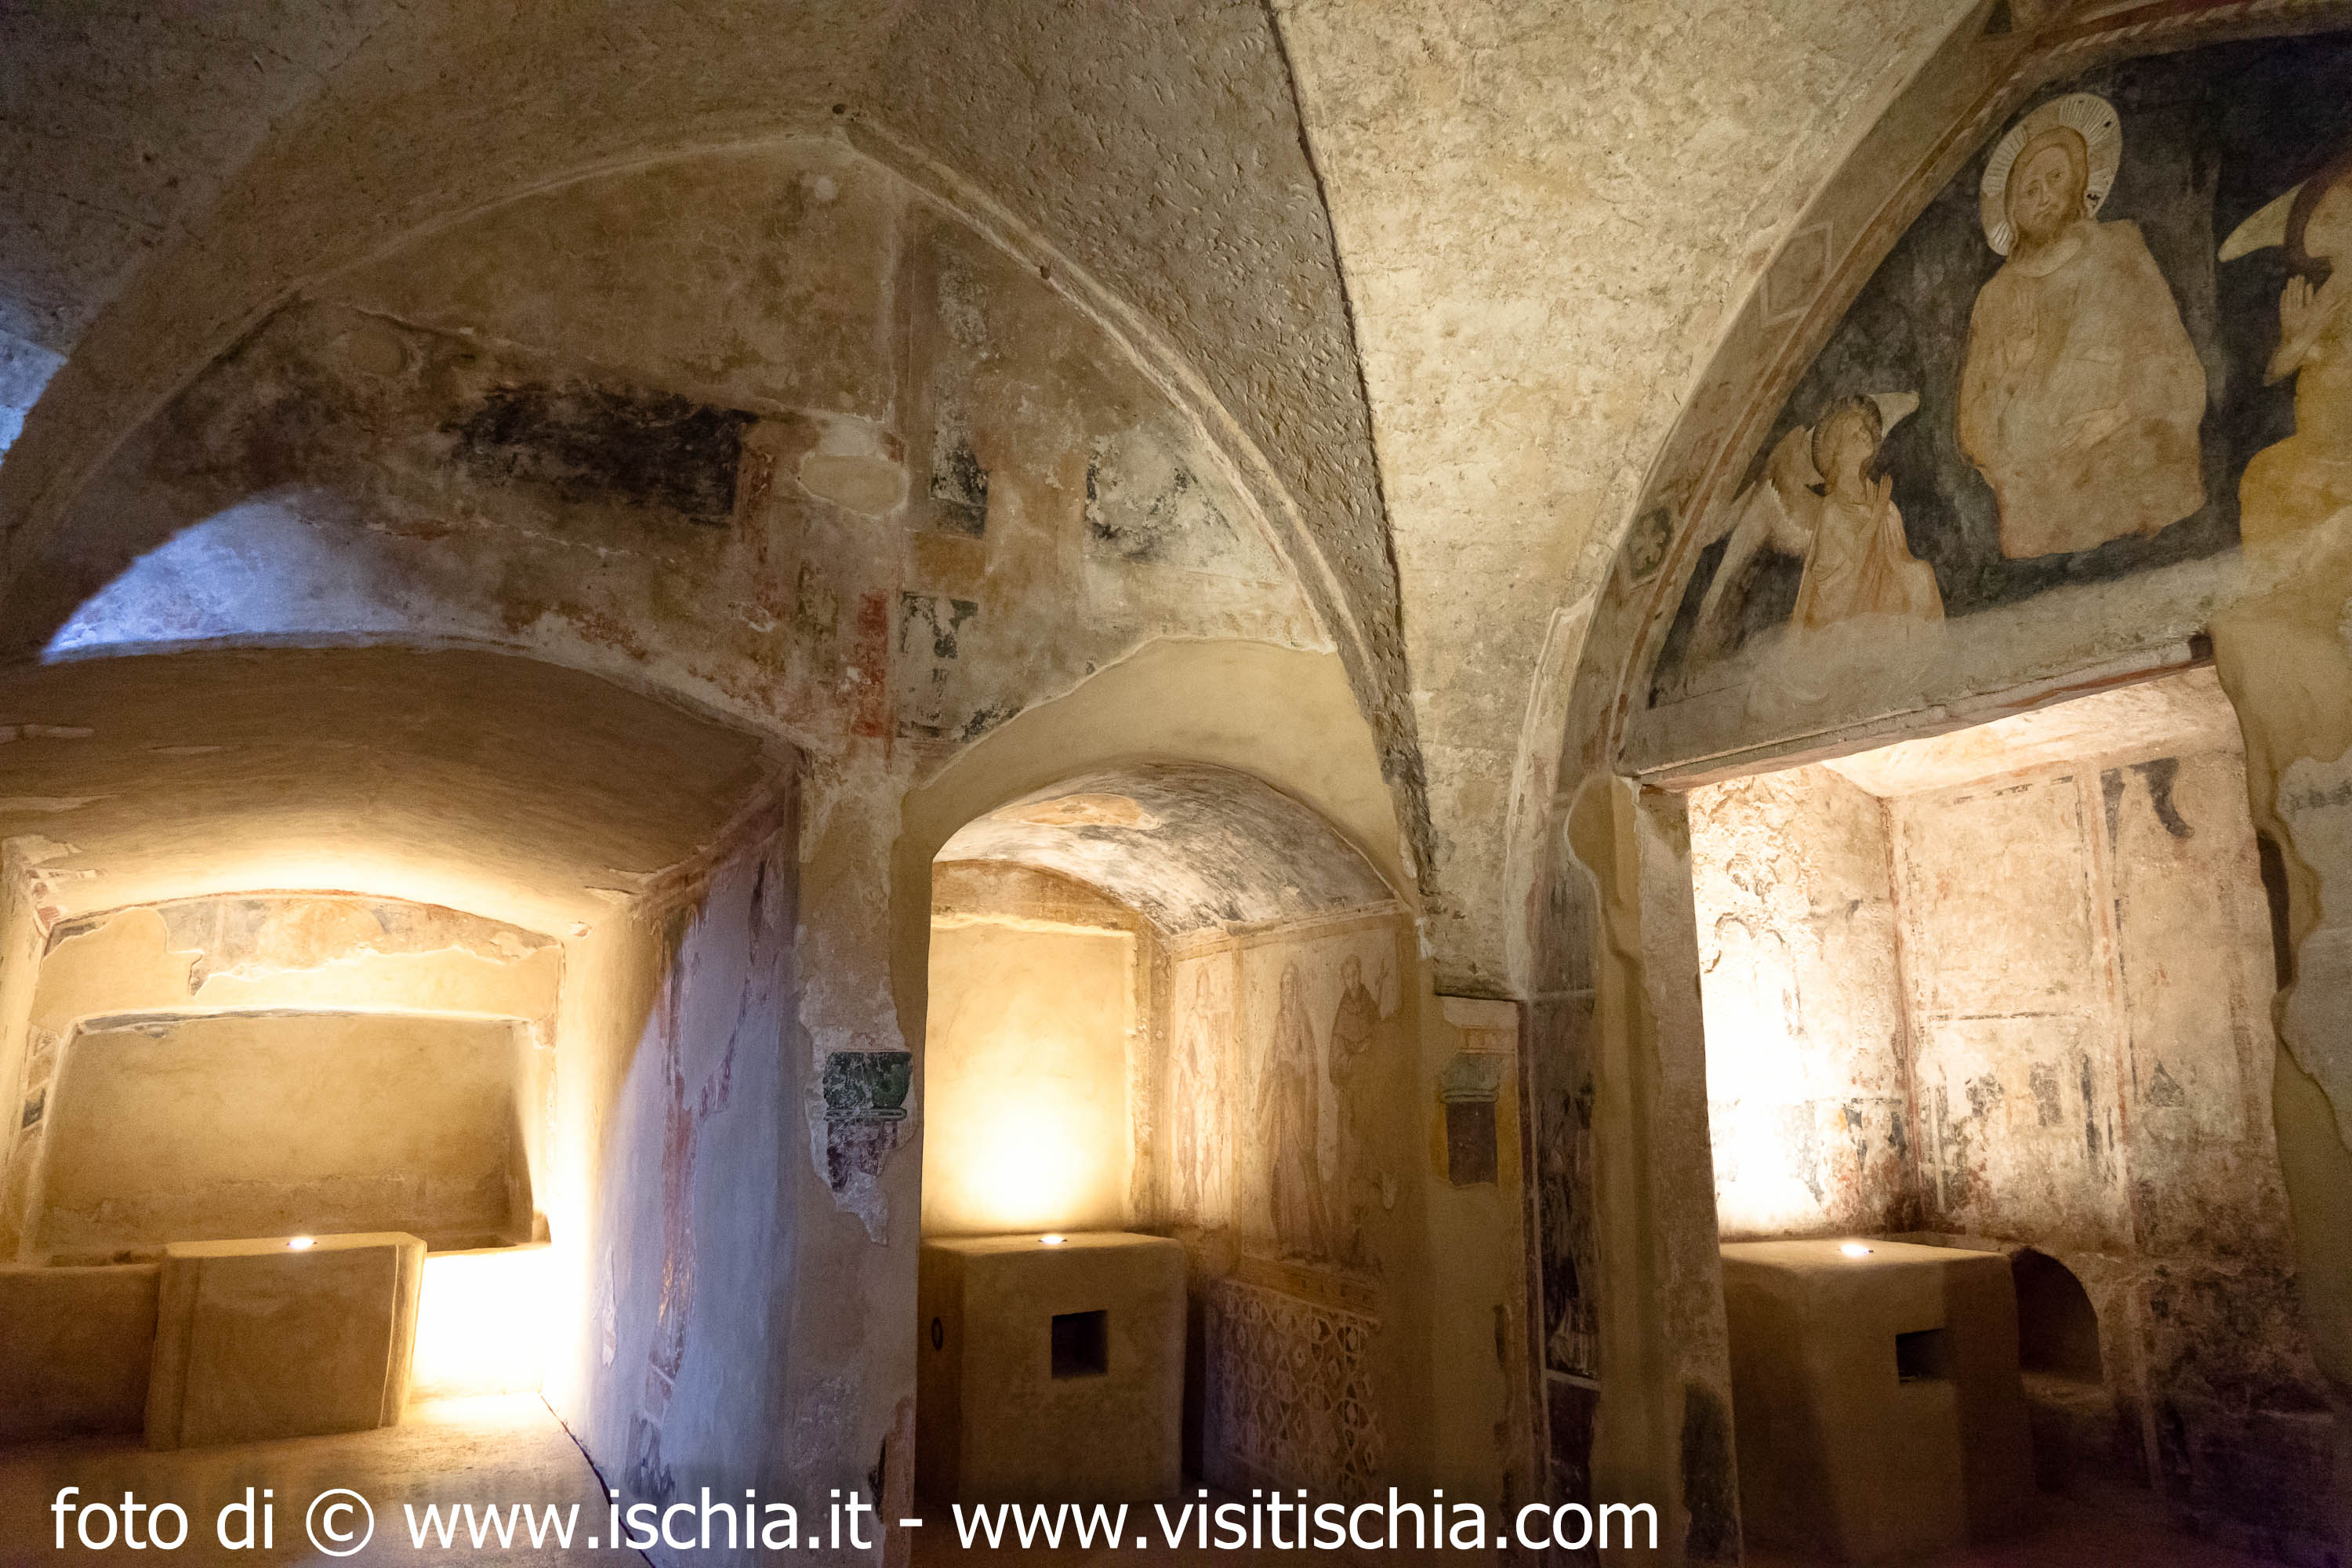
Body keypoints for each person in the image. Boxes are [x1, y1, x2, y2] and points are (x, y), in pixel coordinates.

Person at [1958, 95, 2207, 558]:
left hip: (2126, 440)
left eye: (2055, 178)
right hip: (2040, 476)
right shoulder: (1995, 298)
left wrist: (2121, 413)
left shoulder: (2119, 251)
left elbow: (2172, 360)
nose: (2044, 196)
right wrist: (2011, 382)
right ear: (2013, 210)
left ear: (2079, 181)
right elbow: (1973, 421)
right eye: (2029, 190)